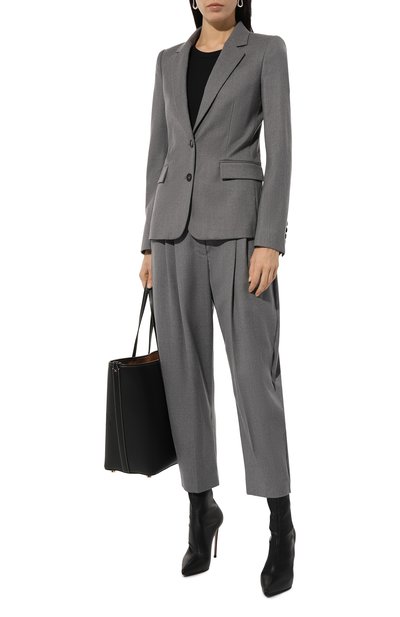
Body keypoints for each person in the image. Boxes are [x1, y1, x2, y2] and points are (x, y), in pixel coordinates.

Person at [138, 0, 295, 597]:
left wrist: (269, 239)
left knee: (256, 379)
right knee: (183, 378)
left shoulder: (267, 51)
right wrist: (147, 244)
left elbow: (281, 150)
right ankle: (200, 508)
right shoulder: (167, 60)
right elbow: (159, 154)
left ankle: (281, 524)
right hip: (171, 234)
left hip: (239, 234)